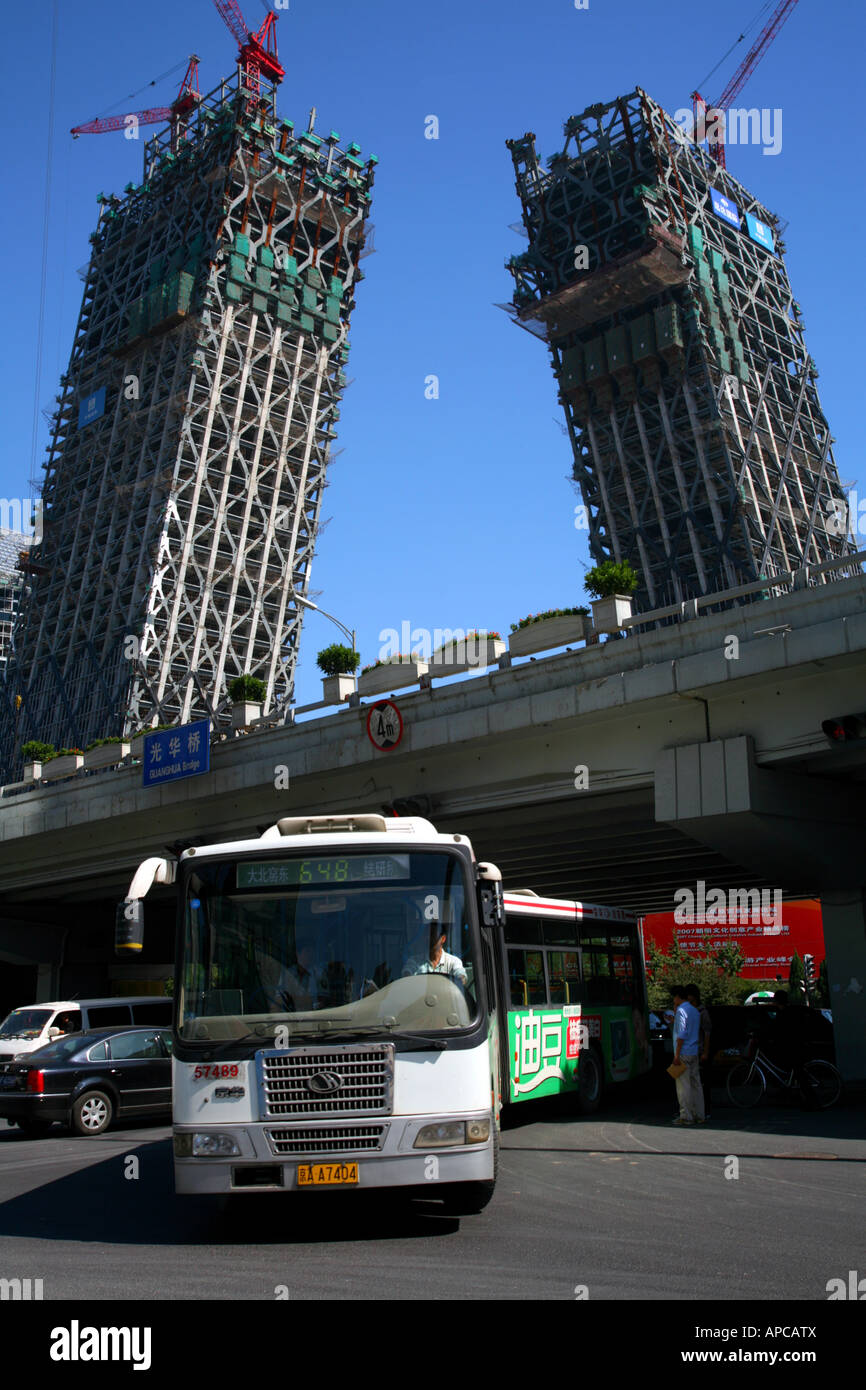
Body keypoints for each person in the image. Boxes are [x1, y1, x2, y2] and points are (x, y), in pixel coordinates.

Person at [670, 984, 704, 1125]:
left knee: (683, 1086)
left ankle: (686, 1116)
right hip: (694, 1051)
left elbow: (681, 1034)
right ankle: (699, 1114)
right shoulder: (695, 1011)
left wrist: (676, 1055)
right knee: (696, 1084)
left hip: (683, 1052)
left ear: (677, 997)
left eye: (674, 998)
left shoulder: (681, 1011)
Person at [403, 921, 468, 985]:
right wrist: (408, 977)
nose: (429, 938)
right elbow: (407, 971)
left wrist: (460, 979)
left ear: (443, 939)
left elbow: (460, 973)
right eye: (426, 935)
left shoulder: (453, 961)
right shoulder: (415, 961)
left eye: (433, 935)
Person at [686, 984, 712, 1120]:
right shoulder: (690, 1011)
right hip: (692, 1050)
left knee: (702, 1082)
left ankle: (705, 1109)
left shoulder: (702, 1012)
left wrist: (705, 1052)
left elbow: (707, 1033)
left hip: (700, 1050)